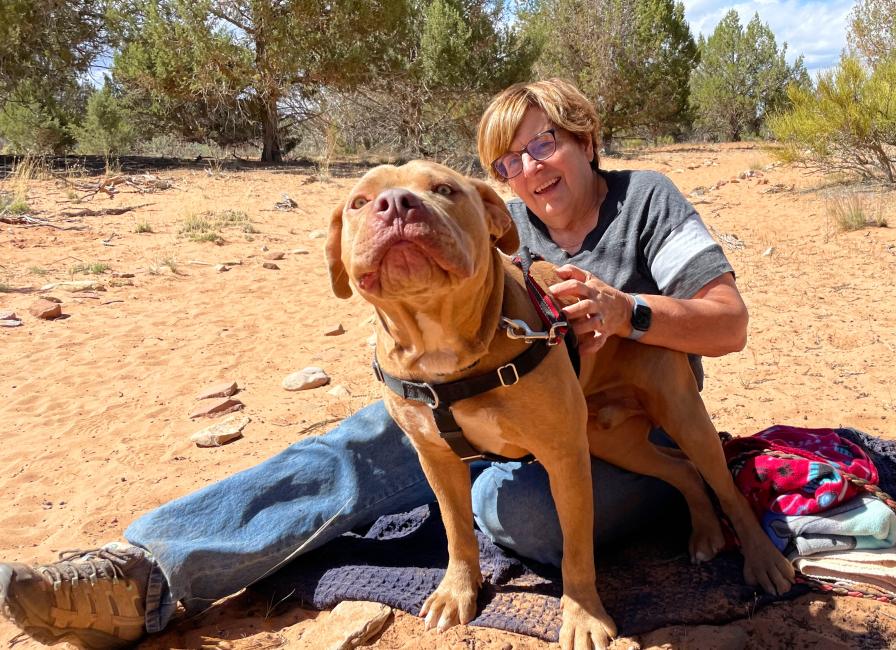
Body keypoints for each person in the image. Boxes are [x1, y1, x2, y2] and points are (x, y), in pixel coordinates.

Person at [0, 78, 749, 650]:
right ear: (498, 193)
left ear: (585, 140)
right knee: (352, 449)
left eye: (543, 142)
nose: (528, 167)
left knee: (512, 511)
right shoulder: (498, 219)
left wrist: (631, 312)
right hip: (471, 388)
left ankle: (639, 498)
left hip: (627, 418)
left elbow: (730, 325)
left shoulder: (647, 200)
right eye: (506, 160)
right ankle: (146, 569)